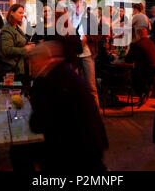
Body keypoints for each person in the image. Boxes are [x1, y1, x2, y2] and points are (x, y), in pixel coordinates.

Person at [28, 40, 108, 171]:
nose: (32, 66)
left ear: (42, 60)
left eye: (33, 61)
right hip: (92, 146)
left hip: (73, 154)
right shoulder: (67, 73)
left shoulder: (50, 81)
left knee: (20, 152)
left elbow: (37, 123)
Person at [69, 0, 100, 107]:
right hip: (74, 55)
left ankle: (95, 112)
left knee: (91, 86)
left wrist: (87, 38)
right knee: (74, 85)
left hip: (87, 54)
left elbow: (98, 36)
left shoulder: (90, 17)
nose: (76, 8)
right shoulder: (70, 18)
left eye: (77, 5)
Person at [125, 27, 155, 103]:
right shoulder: (150, 42)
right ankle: (147, 88)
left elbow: (128, 60)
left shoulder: (137, 44)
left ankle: (142, 92)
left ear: (137, 35)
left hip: (149, 69)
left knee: (133, 74)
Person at [0, 4, 35, 84]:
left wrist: (27, 43)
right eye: (20, 13)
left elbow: (18, 42)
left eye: (23, 13)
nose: (22, 15)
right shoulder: (7, 29)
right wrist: (25, 49)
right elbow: (6, 49)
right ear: (12, 13)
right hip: (12, 69)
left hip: (20, 68)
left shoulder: (16, 28)